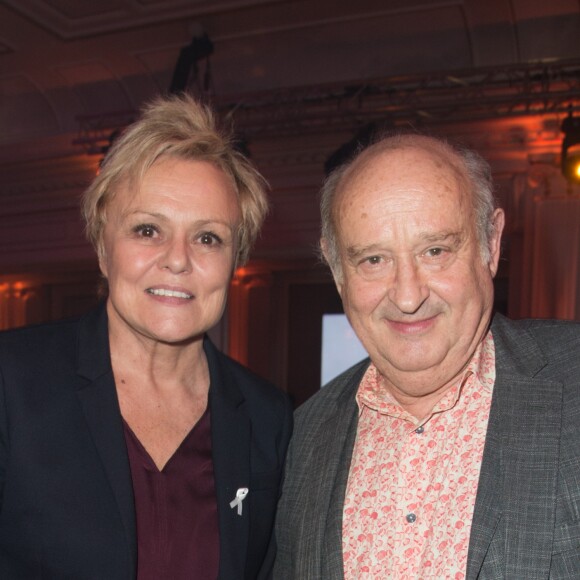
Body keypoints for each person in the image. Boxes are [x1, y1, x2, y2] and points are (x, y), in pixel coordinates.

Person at [0, 94, 292, 579]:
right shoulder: (13, 384)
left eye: (207, 238)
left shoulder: (268, 417)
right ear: (102, 248)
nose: (178, 260)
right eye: (147, 230)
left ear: (235, 260)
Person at [274, 132, 580, 579]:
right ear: (337, 268)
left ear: (490, 245)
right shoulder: (300, 439)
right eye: (374, 260)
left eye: (435, 251)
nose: (408, 295)